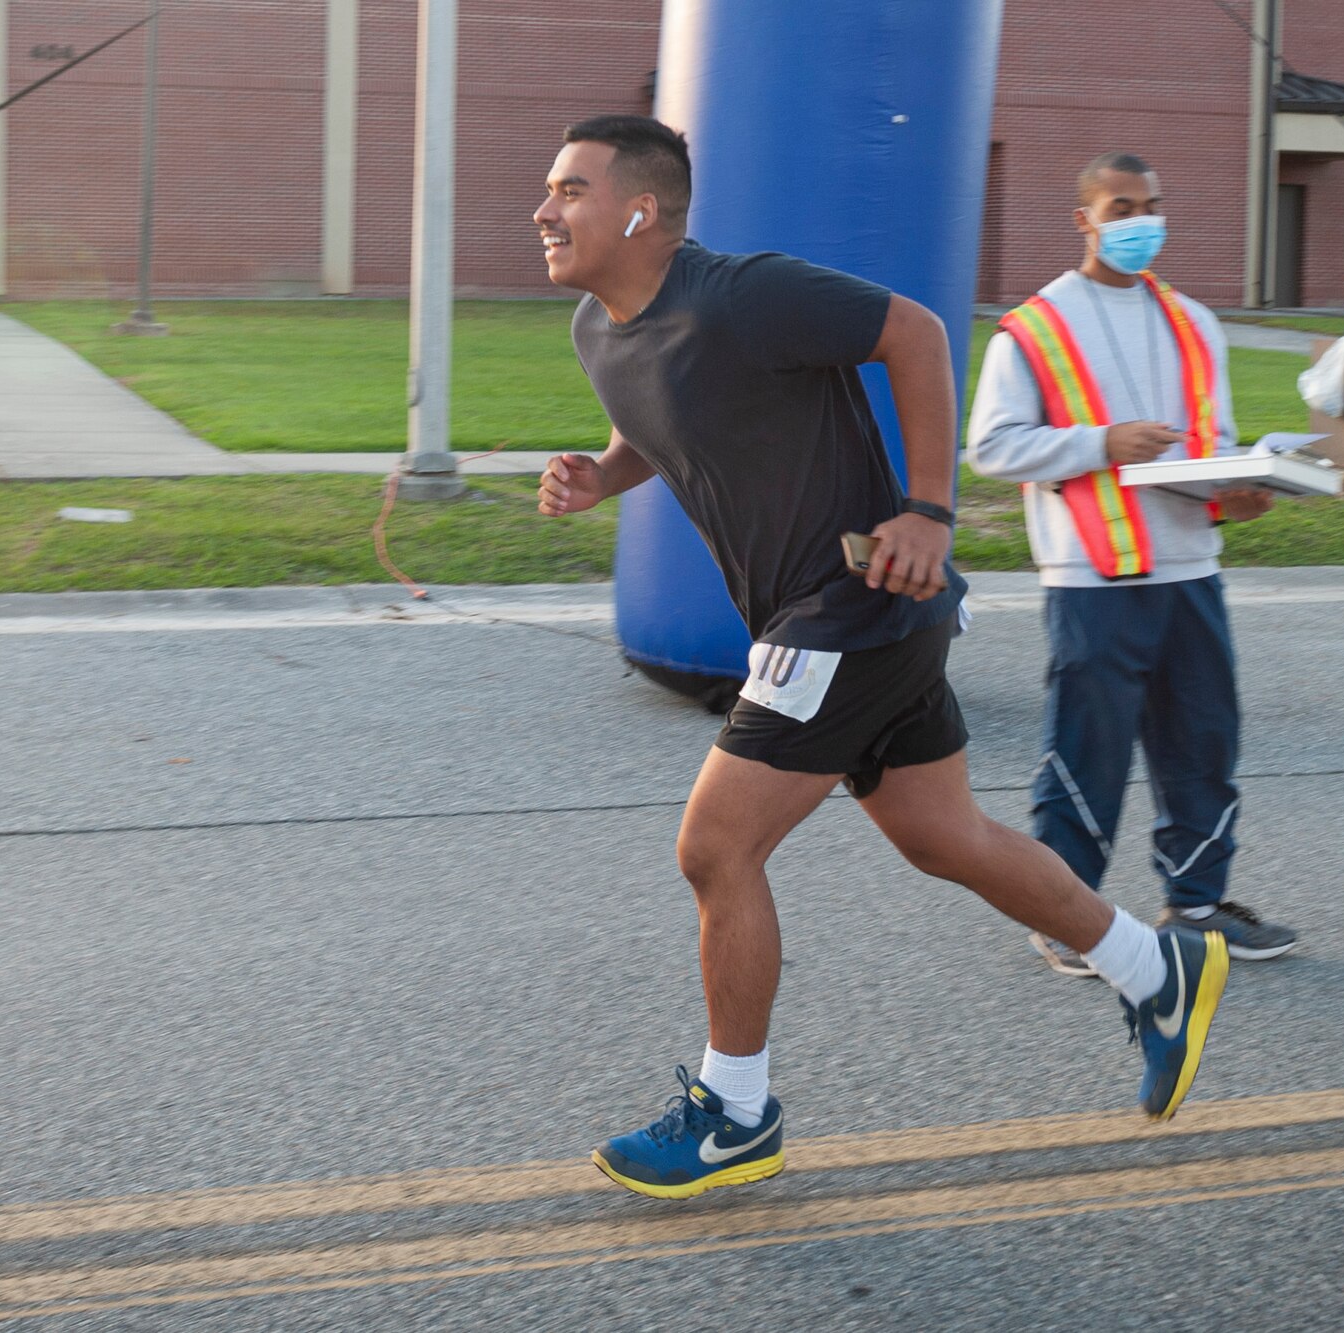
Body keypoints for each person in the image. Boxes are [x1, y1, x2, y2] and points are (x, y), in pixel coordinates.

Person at [532, 115, 1229, 1201]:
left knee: (714, 847)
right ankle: (1155, 968)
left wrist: (928, 511)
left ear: (639, 210)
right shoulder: (598, 329)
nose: (543, 209)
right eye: (548, 189)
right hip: (829, 621)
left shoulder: (741, 292)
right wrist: (601, 476)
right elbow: (664, 424)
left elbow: (912, 334)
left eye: (569, 189)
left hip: (852, 604)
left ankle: (734, 1112)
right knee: (940, 833)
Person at [966, 152, 1298, 980]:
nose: (1140, 221)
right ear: (1084, 218)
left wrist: (1239, 492)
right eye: (1122, 207)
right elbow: (992, 447)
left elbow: (1208, 447)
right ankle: (1064, 913)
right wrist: (1100, 443)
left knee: (1203, 741)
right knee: (1089, 750)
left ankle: (1198, 904)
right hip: (1094, 574)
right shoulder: (1037, 326)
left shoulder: (1192, 322)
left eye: (1151, 204)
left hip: (1189, 568)